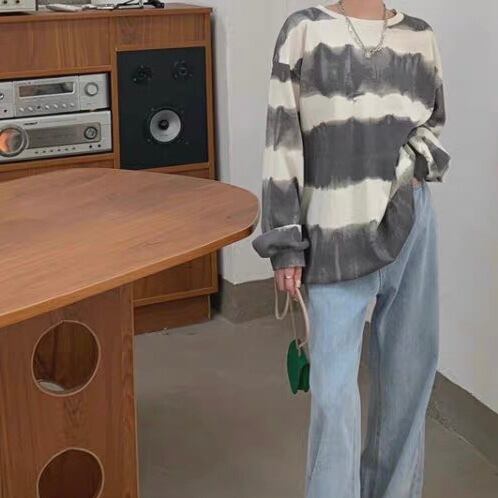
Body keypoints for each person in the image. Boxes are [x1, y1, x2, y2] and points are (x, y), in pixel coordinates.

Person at [252, 1, 450, 497]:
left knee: (407, 380)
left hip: (409, 224)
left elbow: (432, 123)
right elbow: (282, 140)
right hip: (333, 232)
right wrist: (285, 243)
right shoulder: (304, 31)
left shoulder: (420, 37)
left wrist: (410, 168)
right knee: (333, 395)